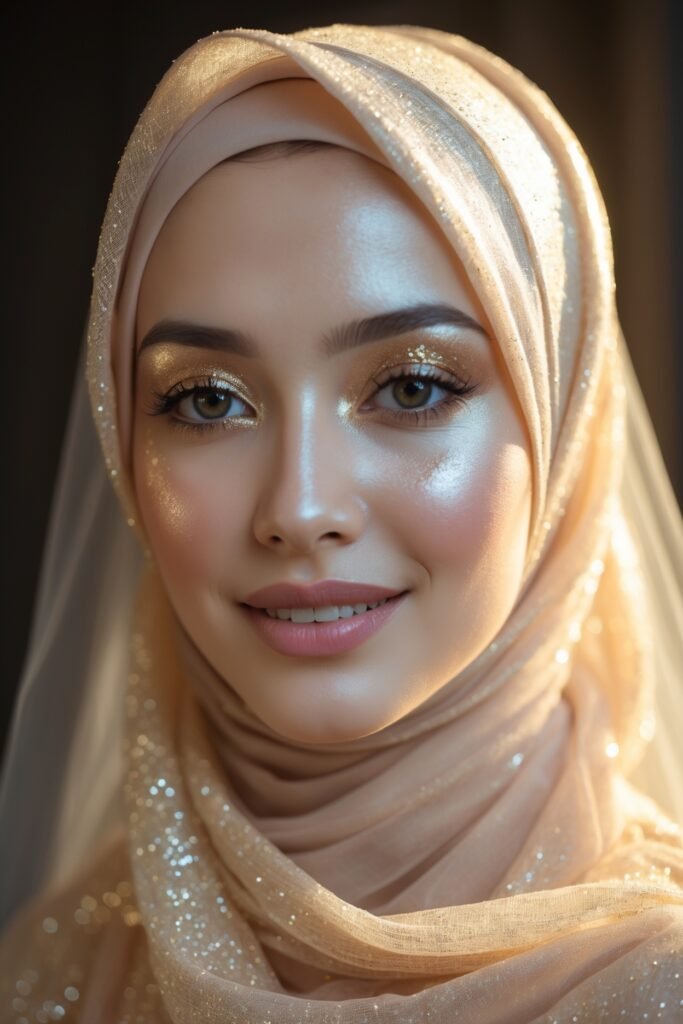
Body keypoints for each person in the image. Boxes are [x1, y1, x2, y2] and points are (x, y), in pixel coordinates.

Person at [1, 22, 682, 1023]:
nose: (301, 507)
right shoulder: (53, 973)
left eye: (411, 385)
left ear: (561, 426)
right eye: (205, 400)